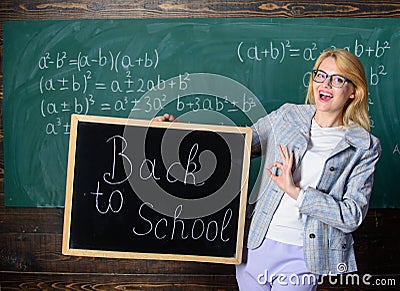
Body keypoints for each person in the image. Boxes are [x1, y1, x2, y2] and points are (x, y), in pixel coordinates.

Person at [154, 48, 381, 290]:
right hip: (257, 243)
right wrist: (183, 131)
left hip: (304, 254)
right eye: (320, 75)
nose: (325, 84)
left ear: (353, 91)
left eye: (337, 79)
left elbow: (351, 215)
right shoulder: (287, 116)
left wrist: (295, 191)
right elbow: (237, 146)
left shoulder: (363, 146)